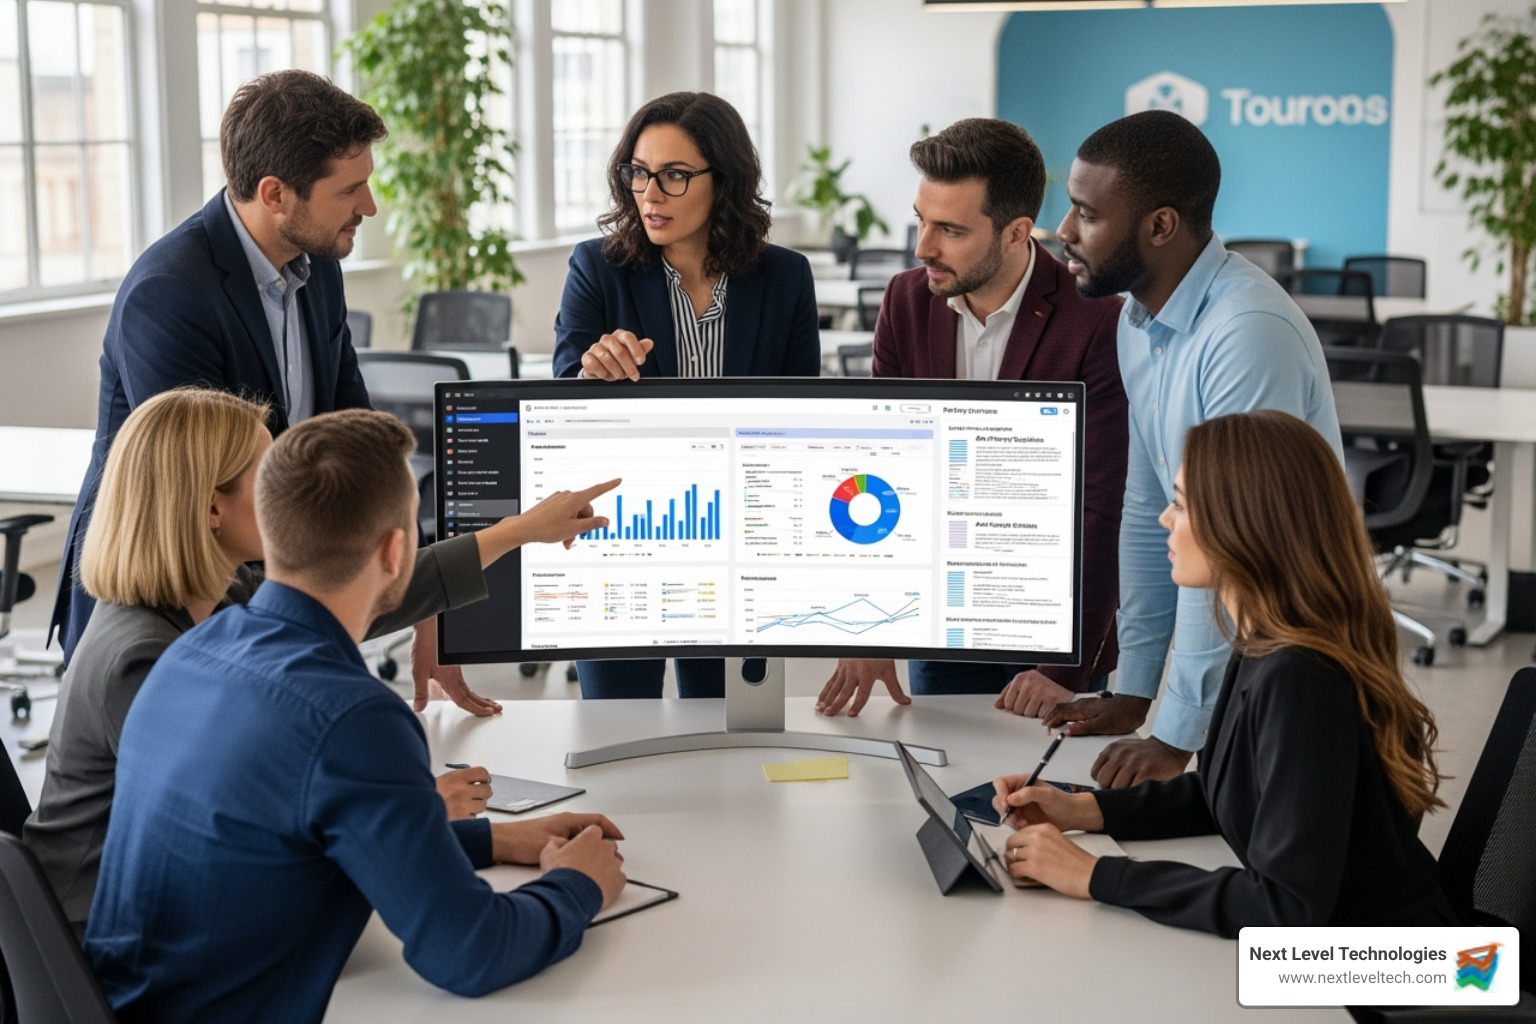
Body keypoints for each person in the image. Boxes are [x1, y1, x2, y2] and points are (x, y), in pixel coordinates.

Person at [86, 409, 628, 1023]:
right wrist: (579, 885)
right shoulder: (352, 718)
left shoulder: (191, 652)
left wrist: (492, 838)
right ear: (395, 551)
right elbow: (471, 952)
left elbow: (302, 837)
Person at [50, 69, 487, 718]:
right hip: (168, 603)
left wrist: (424, 599)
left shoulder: (318, 269)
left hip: (255, 587)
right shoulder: (170, 292)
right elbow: (200, 497)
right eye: (351, 188)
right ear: (275, 193)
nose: (369, 207)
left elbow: (358, 443)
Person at [993, 411, 1454, 936]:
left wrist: (1094, 875)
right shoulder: (1267, 640)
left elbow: (1285, 908)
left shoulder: (1300, 676)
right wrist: (1082, 810)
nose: (1166, 519)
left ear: (1242, 522)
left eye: (1183, 504)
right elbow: (1228, 794)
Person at [1044, 110, 1341, 788]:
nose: (1063, 232)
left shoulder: (1244, 332)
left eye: (1086, 214)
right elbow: (1153, 513)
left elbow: (1229, 541)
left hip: (1293, 660)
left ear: (1160, 226)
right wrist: (1135, 688)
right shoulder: (1136, 319)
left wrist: (1177, 735)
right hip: (1244, 650)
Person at [814, 118, 1126, 719]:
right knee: (945, 783)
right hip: (943, 612)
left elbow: (1103, 505)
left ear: (1015, 233)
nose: (922, 246)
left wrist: (1063, 668)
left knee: (1042, 800)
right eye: (922, 219)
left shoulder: (1097, 322)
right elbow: (882, 472)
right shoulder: (907, 301)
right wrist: (870, 626)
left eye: (950, 230)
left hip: (1057, 627)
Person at [553, 91, 820, 699]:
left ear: (724, 180)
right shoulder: (597, 267)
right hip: (625, 534)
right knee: (617, 725)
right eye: (640, 173)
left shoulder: (784, 277)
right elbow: (558, 408)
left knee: (730, 728)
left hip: (740, 544)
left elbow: (803, 422)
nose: (650, 194)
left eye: (674, 176)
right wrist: (588, 379)